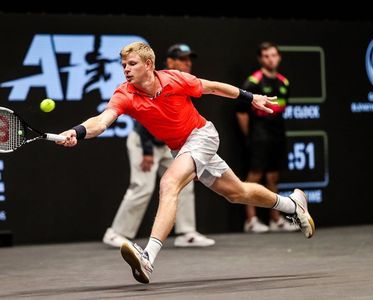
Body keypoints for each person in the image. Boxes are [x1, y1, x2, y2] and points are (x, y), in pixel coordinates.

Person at [58, 42, 315, 284]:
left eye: (132, 64)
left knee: (169, 182)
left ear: (149, 65)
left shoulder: (174, 79)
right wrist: (77, 132)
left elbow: (213, 87)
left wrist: (251, 98)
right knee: (237, 193)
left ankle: (147, 257)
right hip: (181, 147)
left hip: (201, 135)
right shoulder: (124, 94)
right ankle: (292, 205)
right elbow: (102, 121)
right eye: (124, 65)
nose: (126, 69)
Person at [102, 43, 215, 248]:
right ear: (170, 62)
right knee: (143, 186)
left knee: (184, 184)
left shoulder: (176, 81)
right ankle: (115, 233)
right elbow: (145, 121)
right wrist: (147, 152)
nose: (187, 63)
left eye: (189, 59)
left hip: (168, 143)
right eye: (182, 59)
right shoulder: (146, 82)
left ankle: (186, 233)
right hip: (145, 143)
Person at [237, 42, 298, 233]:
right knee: (254, 176)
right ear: (260, 59)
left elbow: (281, 109)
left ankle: (275, 219)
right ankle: (251, 220)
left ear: (279, 57)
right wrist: (251, 135)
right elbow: (241, 112)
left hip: (277, 135)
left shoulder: (284, 82)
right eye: (266, 56)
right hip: (259, 135)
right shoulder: (253, 82)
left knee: (273, 176)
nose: (270, 59)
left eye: (273, 55)